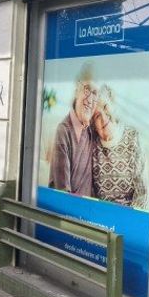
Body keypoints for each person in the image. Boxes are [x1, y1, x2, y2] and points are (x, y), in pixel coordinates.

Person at [91, 85, 147, 208]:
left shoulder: (133, 137)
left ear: (113, 105)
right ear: (93, 125)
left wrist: (129, 217)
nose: (103, 117)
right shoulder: (93, 148)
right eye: (97, 116)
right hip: (102, 215)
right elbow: (91, 196)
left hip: (131, 213)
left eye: (105, 107)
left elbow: (142, 193)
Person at [49, 62, 98, 196]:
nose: (90, 100)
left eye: (95, 93)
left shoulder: (91, 130)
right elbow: (62, 192)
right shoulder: (63, 131)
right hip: (66, 206)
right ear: (77, 90)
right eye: (87, 90)